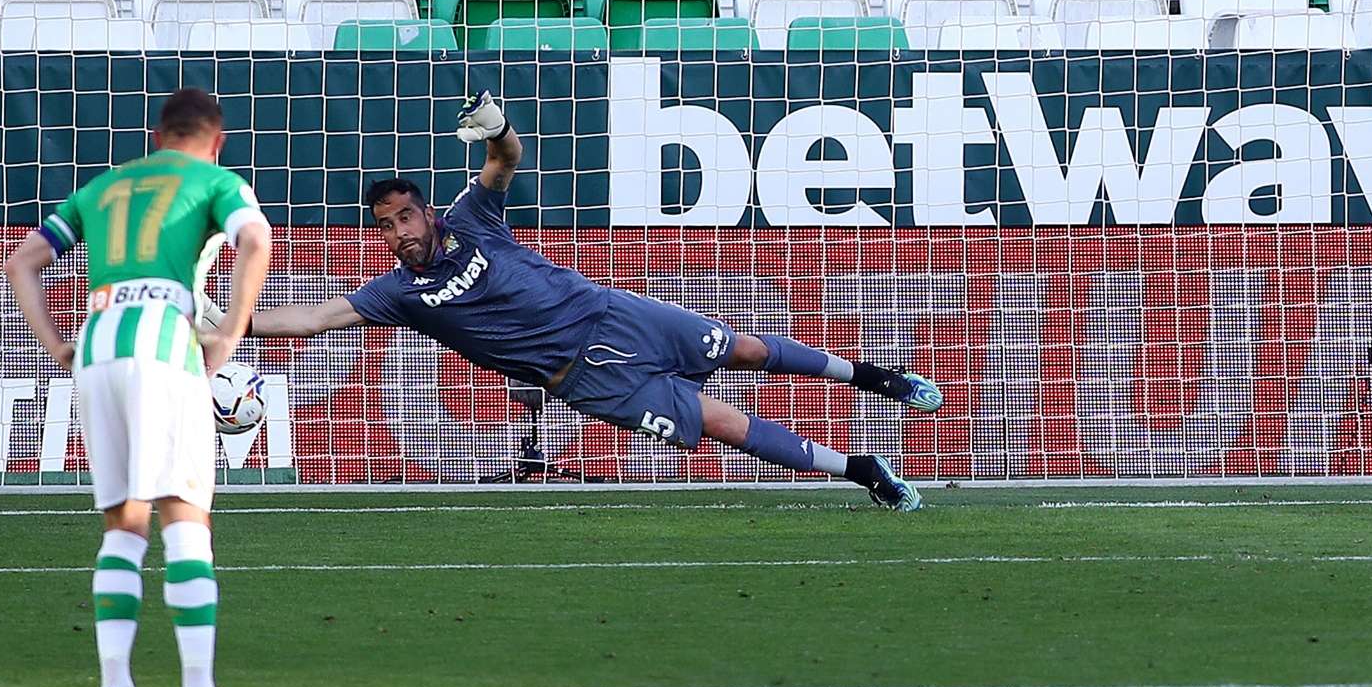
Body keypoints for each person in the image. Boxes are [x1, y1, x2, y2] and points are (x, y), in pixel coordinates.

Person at [226, 92, 942, 509]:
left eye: (404, 217)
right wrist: (228, 326)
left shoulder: (472, 218)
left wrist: (497, 126)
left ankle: (881, 380)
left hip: (616, 312)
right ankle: (864, 472)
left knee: (746, 346)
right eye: (384, 226)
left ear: (425, 213)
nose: (397, 232)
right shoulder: (399, 294)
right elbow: (315, 319)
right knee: (724, 421)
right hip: (587, 379)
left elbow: (503, 159)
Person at [3, 87, 272, 687]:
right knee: (184, 518)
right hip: (163, 348)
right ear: (216, 139)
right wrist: (231, 333)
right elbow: (255, 241)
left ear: (157, 136)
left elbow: (22, 263)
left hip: (97, 348)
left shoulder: (103, 187)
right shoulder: (216, 179)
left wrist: (53, 345)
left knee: (124, 525)